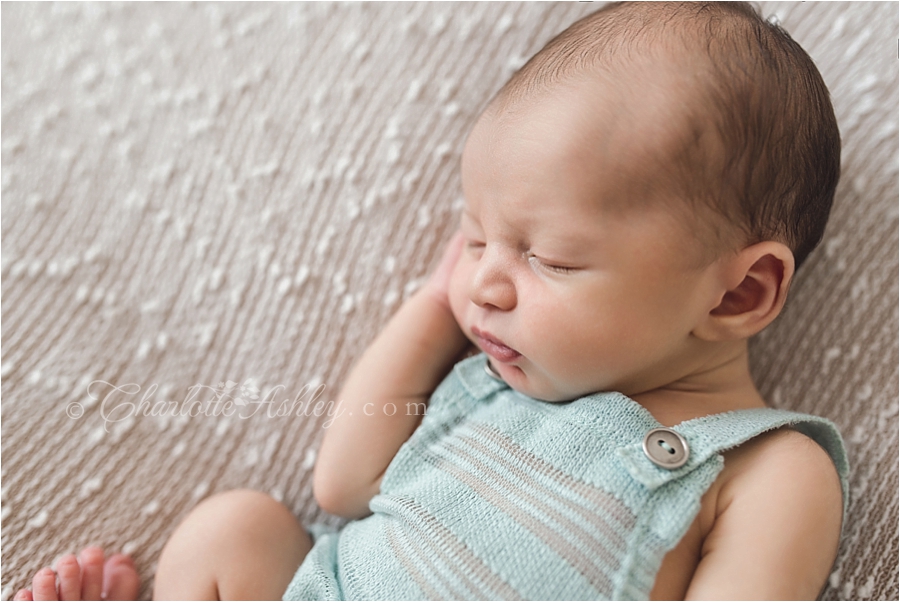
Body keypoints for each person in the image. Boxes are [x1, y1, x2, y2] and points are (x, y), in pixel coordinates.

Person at [14, 2, 848, 600]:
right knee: (236, 530)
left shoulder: (769, 470)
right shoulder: (497, 381)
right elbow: (344, 486)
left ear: (739, 291)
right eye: (477, 239)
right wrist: (431, 308)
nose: (484, 281)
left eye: (546, 257)